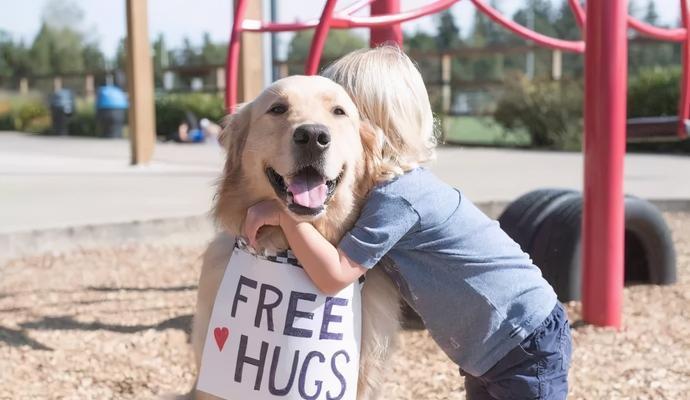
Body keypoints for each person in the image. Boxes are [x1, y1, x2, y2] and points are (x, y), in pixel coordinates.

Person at [243, 46, 572, 400]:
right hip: (496, 345)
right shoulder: (402, 188)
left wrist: (285, 215)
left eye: (338, 112)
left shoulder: (397, 198)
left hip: (523, 338)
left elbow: (334, 274)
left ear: (371, 129)